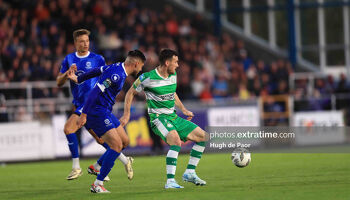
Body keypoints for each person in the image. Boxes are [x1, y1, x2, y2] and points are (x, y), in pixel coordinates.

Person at [120, 49, 208, 189]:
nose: (178, 65)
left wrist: (183, 109)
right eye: (175, 62)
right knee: (175, 141)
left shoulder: (173, 75)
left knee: (203, 137)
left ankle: (190, 172)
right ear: (167, 63)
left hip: (173, 117)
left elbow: (172, 93)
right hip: (158, 118)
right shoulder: (147, 78)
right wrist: (126, 114)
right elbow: (130, 93)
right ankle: (170, 181)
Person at [56, 29, 133, 181]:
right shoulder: (69, 59)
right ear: (75, 43)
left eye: (87, 41)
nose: (85, 44)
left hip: (92, 104)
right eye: (81, 41)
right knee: (101, 140)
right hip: (80, 104)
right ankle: (124, 161)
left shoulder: (98, 59)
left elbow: (105, 79)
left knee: (68, 128)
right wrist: (67, 74)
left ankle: (77, 167)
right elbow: (59, 82)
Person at [68, 50, 146, 193]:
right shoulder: (116, 75)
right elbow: (94, 93)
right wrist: (84, 115)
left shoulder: (117, 67)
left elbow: (98, 70)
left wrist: (79, 79)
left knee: (124, 141)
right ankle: (97, 184)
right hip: (96, 111)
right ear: (136, 64)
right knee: (116, 146)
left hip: (105, 111)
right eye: (141, 66)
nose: (141, 69)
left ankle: (96, 167)